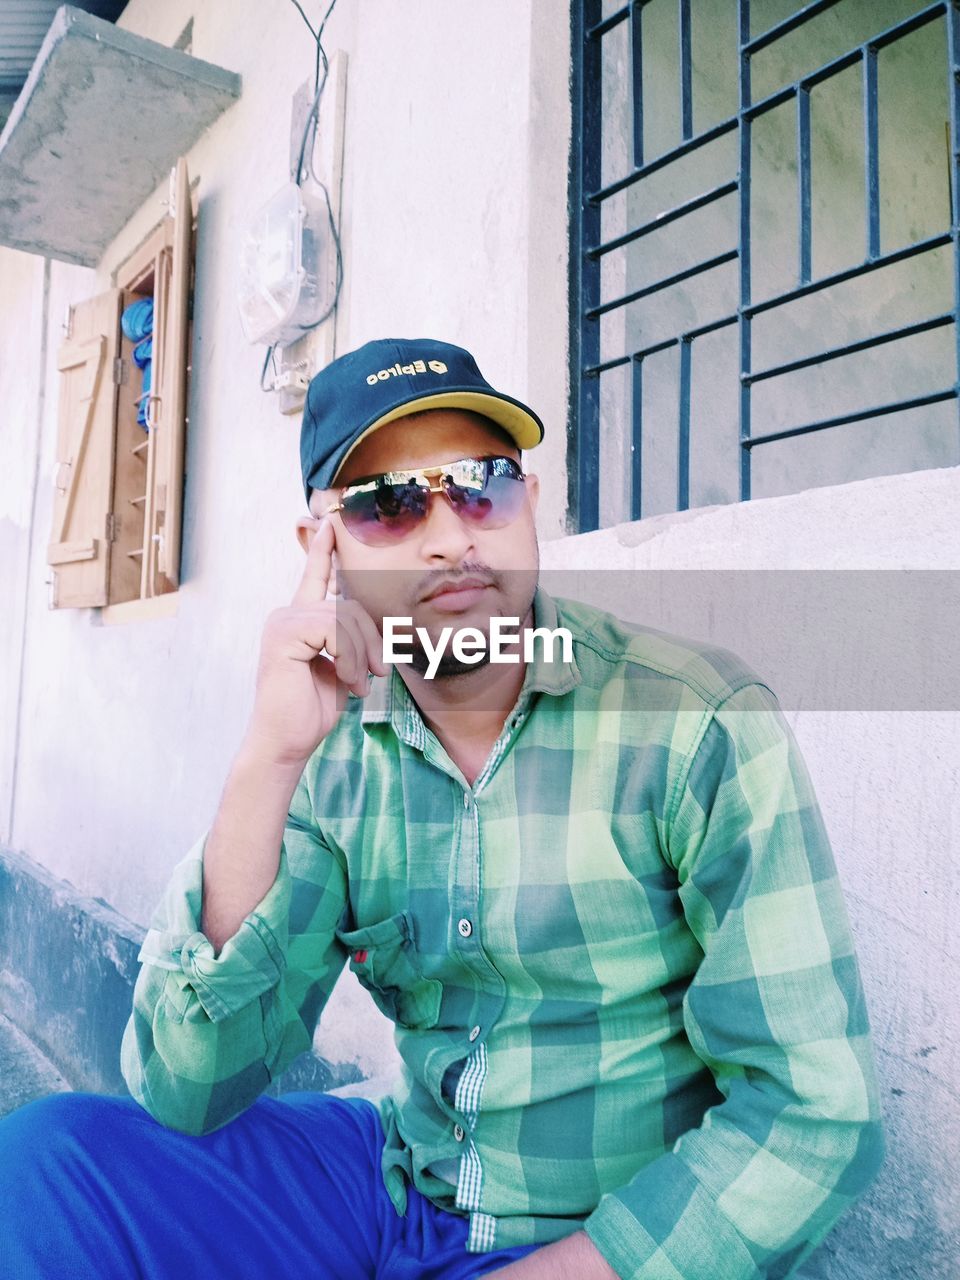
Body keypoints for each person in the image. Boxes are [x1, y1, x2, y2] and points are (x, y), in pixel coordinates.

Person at [0, 338, 884, 1279]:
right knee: (51, 1166)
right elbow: (188, 1085)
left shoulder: (693, 723)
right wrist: (269, 758)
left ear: (530, 504)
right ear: (322, 547)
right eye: (387, 504)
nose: (450, 536)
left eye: (481, 484)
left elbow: (812, 1113)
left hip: (606, 1238)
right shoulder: (330, 753)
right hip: (401, 1185)